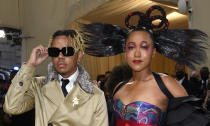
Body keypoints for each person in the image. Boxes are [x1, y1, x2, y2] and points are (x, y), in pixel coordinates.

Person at [81, 5, 209, 126]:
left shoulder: (167, 85)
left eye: (144, 46)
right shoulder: (119, 88)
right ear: (125, 52)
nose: (137, 53)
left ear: (153, 51)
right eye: (131, 47)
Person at [3, 30, 108, 126]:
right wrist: (30, 66)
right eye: (55, 52)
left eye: (67, 51)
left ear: (79, 55)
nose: (60, 56)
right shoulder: (40, 86)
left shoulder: (95, 94)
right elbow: (11, 107)